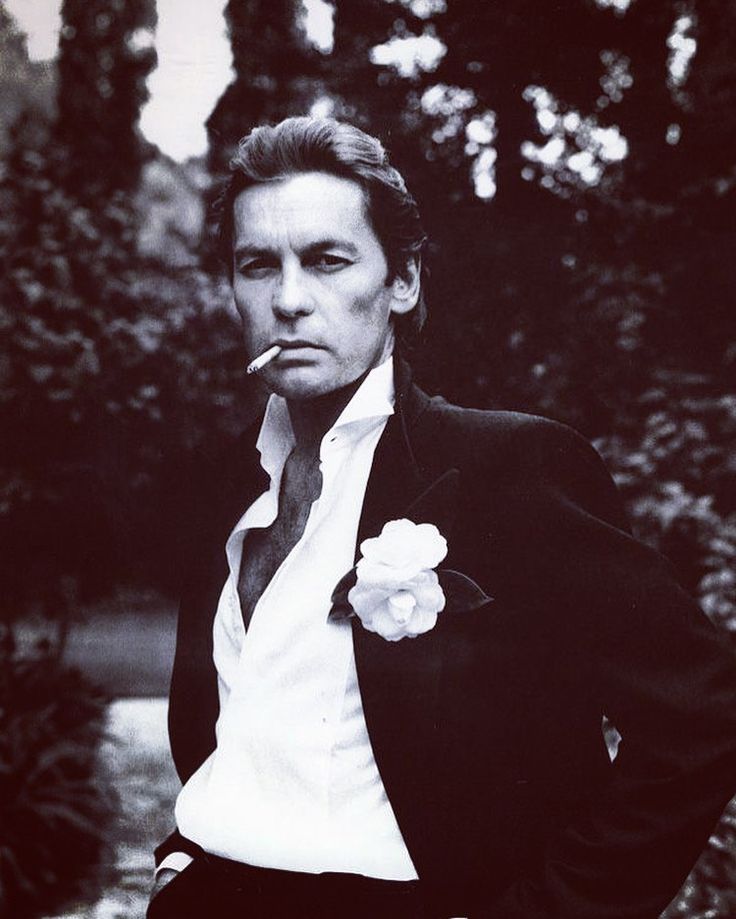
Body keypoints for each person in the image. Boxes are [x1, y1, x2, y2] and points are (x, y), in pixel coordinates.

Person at [148, 116, 736, 919]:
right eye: (258, 266)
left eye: (327, 260)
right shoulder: (225, 485)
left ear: (402, 282)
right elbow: (229, 723)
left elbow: (703, 715)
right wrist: (181, 858)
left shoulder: (509, 468)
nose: (288, 299)